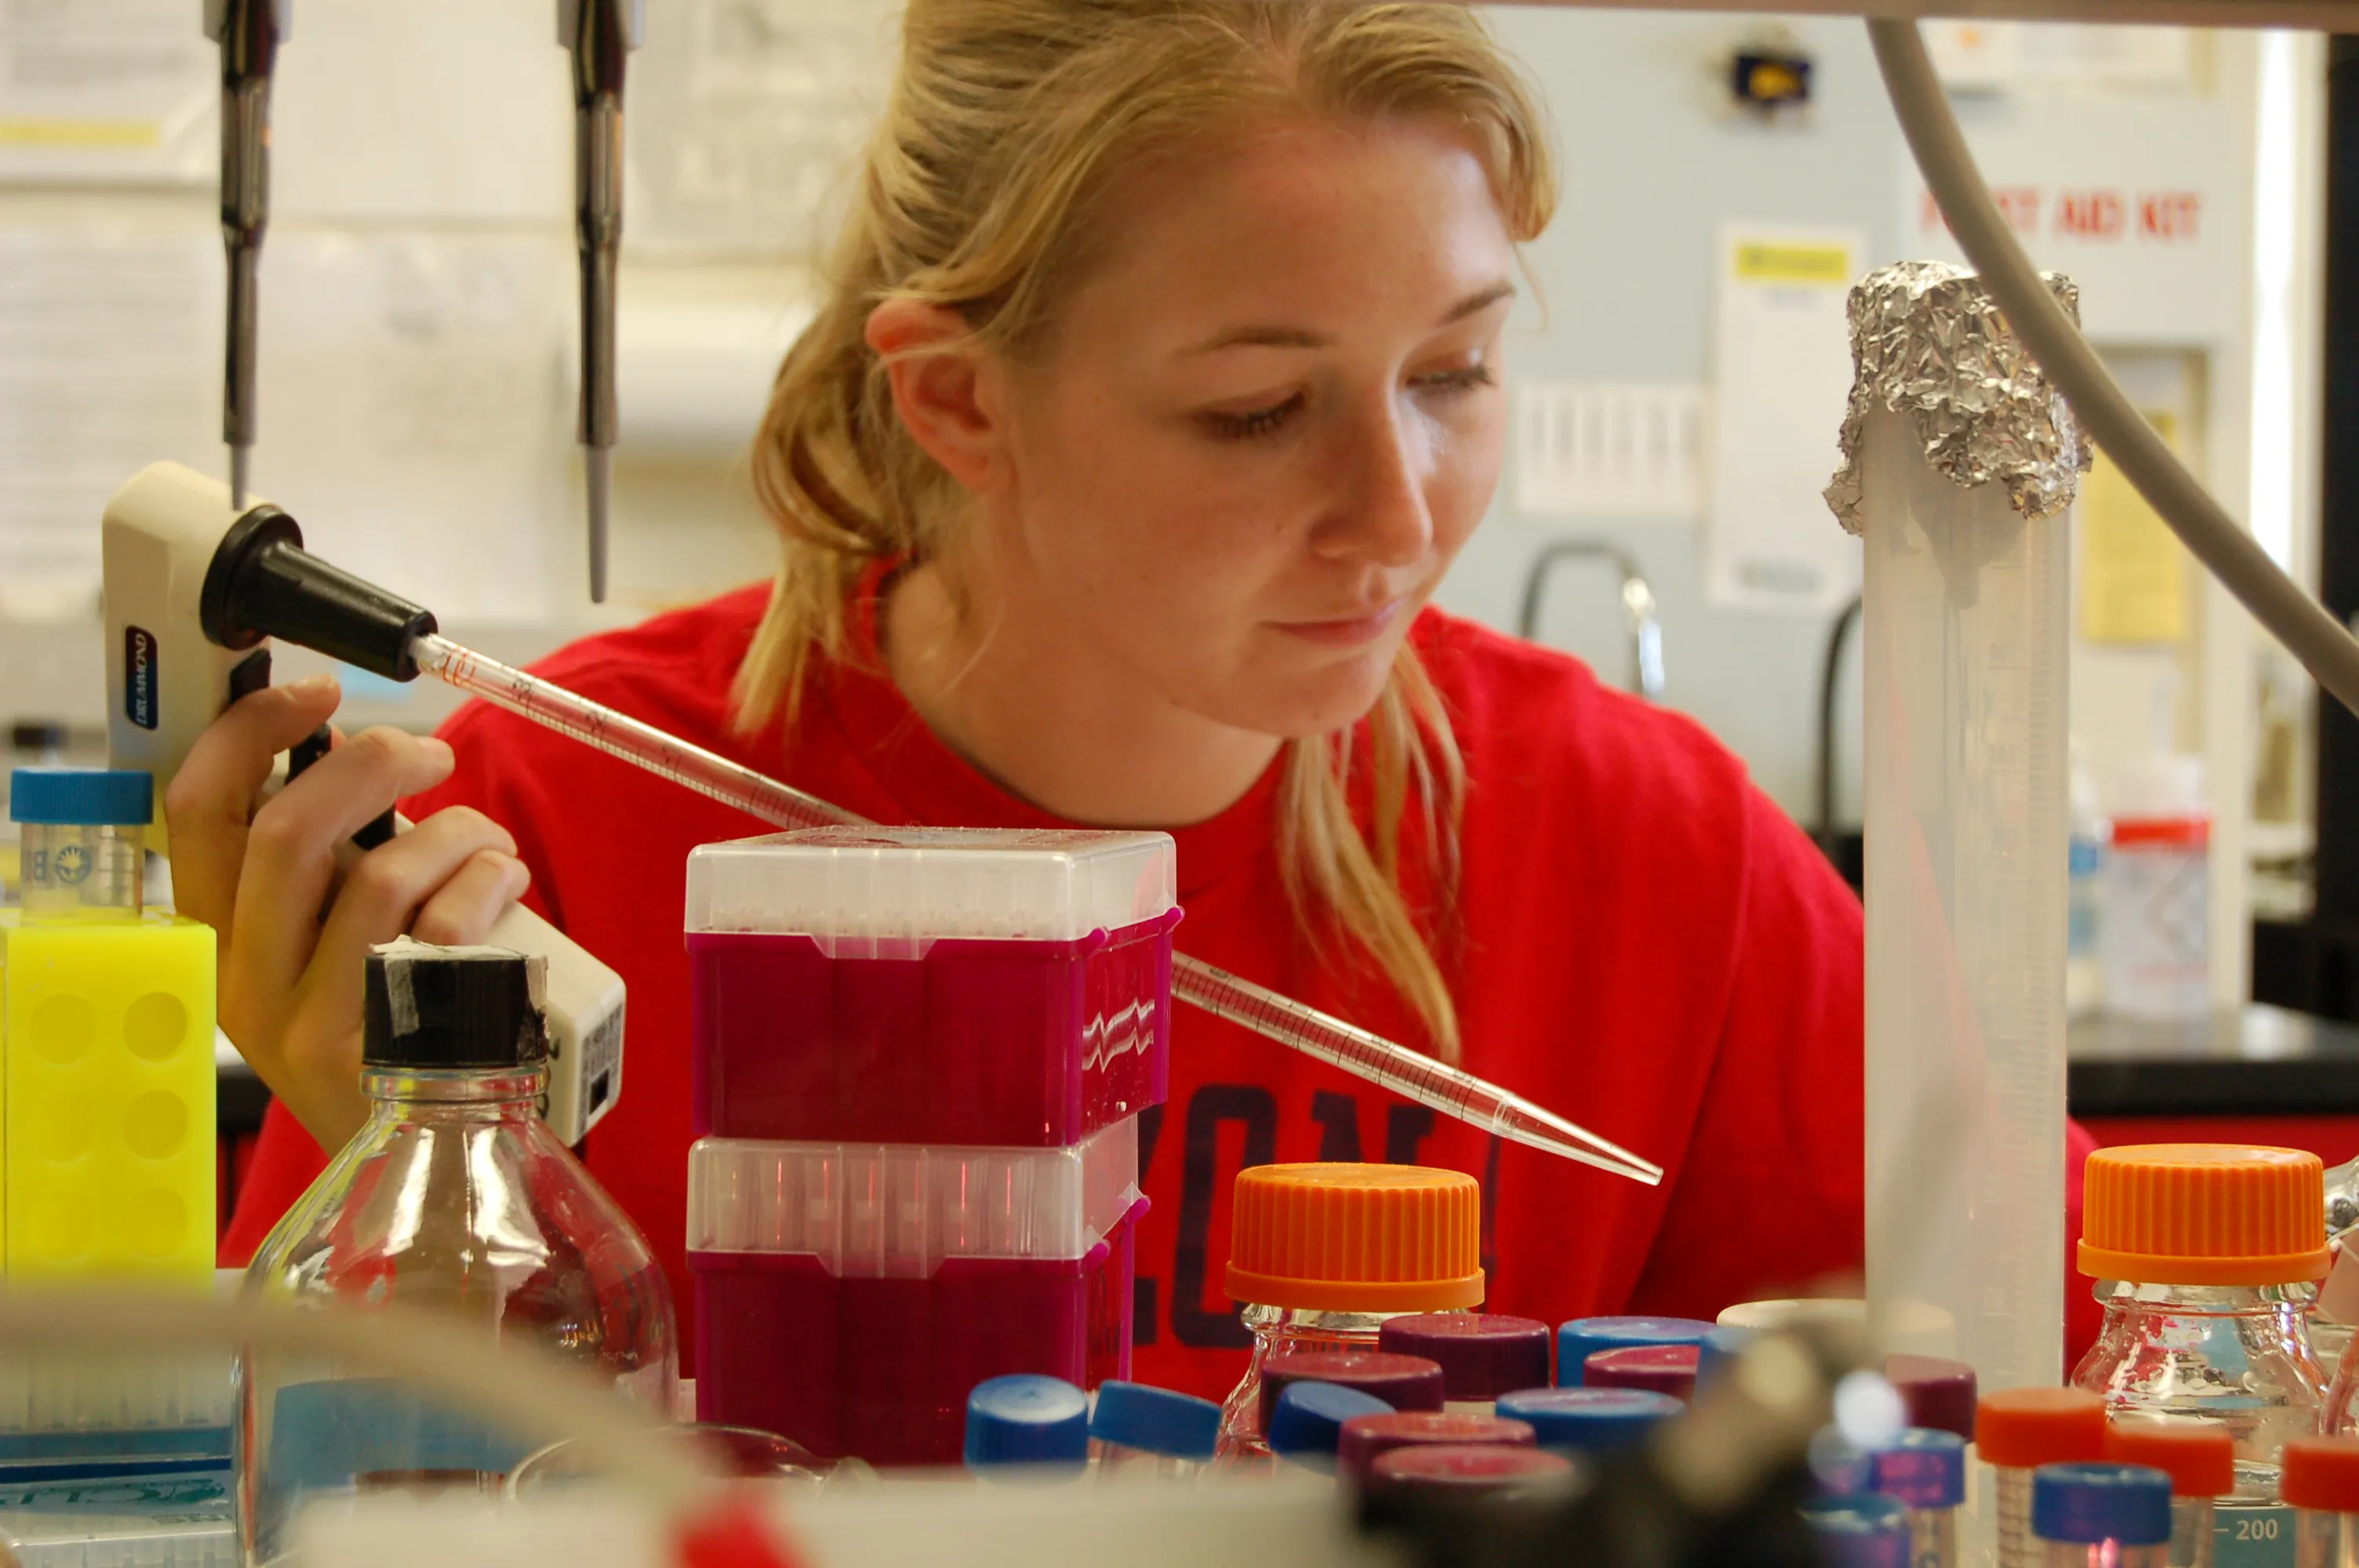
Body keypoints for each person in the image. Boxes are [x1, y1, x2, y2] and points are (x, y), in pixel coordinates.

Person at [194, 0, 1864, 1399]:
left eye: (1453, 372)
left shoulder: (1653, 852)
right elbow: (322, 1495)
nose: (1401, 511)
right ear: (957, 401)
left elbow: (2043, 1366)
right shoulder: (536, 845)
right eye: (1258, 408)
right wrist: (409, 1182)